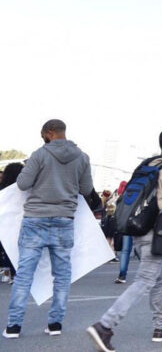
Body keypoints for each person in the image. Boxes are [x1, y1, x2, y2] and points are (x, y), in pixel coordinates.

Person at [87, 127, 162, 350]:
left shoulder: (147, 165)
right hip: (158, 232)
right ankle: (105, 326)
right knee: (145, 280)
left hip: (139, 229)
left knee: (160, 278)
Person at [6, 120, 96, 339]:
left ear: (49, 133)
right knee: (62, 275)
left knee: (24, 275)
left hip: (35, 219)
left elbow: (23, 184)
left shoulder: (39, 155)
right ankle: (55, 324)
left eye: (43, 135)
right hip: (64, 220)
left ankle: (13, 327)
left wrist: (31, 170)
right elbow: (86, 189)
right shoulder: (82, 157)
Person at [0, 163, 24, 283]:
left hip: (4, 225)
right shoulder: (24, 189)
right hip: (21, 224)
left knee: (6, 249)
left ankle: (8, 274)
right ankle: (17, 273)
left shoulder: (2, 190)